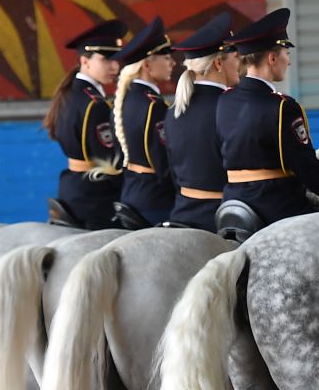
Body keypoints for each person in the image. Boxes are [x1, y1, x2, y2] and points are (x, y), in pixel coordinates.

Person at [217, 8, 319, 228]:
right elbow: (309, 169)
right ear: (272, 58)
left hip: (233, 206)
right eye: (287, 54)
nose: (289, 62)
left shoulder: (225, 100)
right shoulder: (283, 107)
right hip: (277, 208)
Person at [43, 18, 129, 227]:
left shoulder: (71, 93)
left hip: (73, 187)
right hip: (95, 197)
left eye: (116, 59)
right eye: (106, 59)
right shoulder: (94, 104)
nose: (114, 65)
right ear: (85, 61)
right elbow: (108, 162)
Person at [163, 14, 236, 231]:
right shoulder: (231, 108)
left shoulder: (173, 109)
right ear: (218, 63)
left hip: (182, 211)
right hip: (222, 218)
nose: (239, 62)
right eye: (235, 57)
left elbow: (174, 174)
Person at [112, 18, 176, 227]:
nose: (172, 63)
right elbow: (161, 161)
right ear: (147, 65)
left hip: (132, 192)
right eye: (166, 57)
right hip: (155, 200)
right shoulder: (152, 105)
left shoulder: (125, 99)